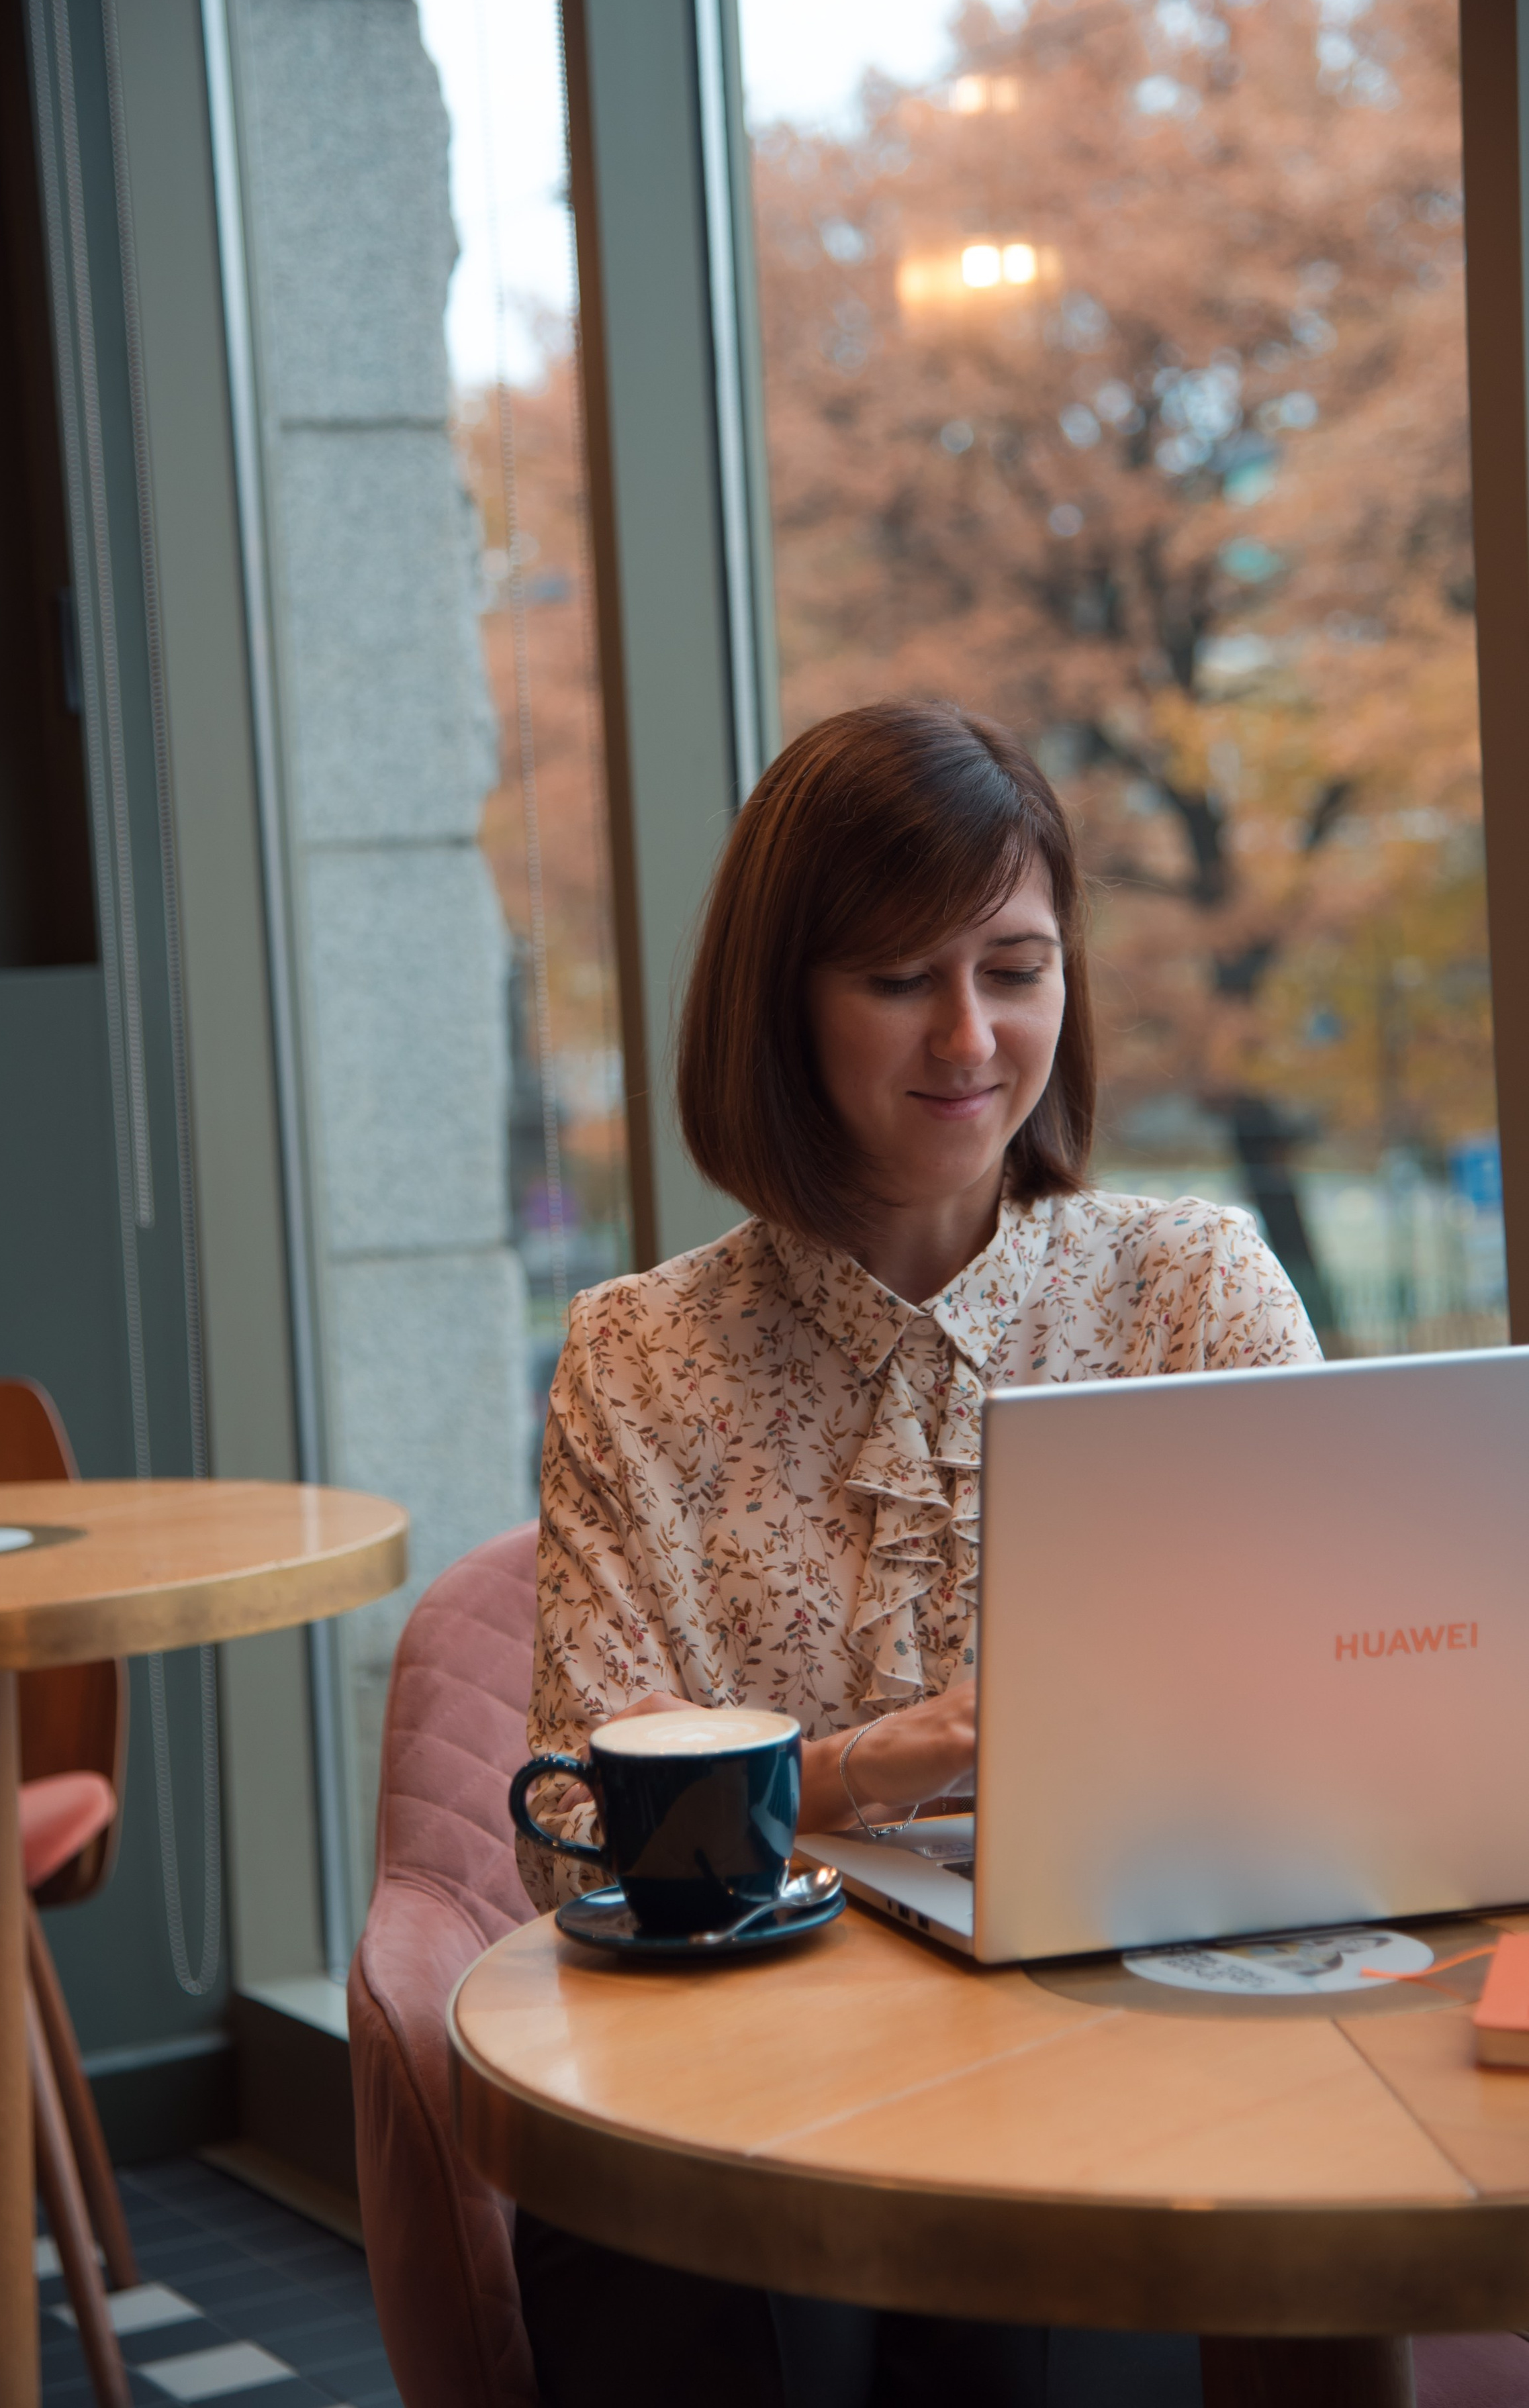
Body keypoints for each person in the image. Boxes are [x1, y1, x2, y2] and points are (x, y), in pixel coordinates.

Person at [514, 700, 1320, 2408]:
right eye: (894, 978)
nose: (968, 1035)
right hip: (751, 2064)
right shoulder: (637, 1356)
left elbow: (1340, 1722)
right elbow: (567, 1832)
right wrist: (868, 1770)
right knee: (689, 2285)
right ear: (780, 1002)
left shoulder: (1192, 1294)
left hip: (1130, 2021)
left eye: (1014, 968)